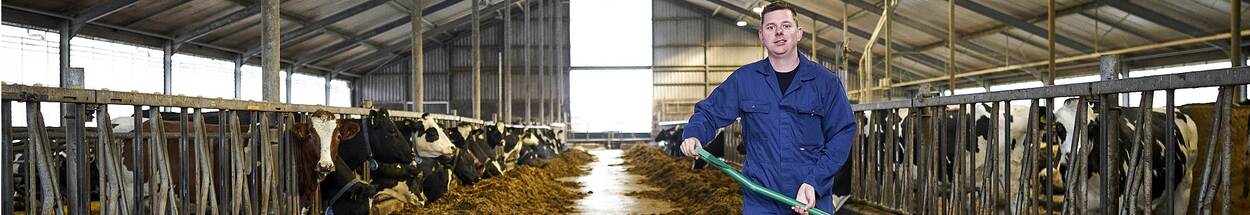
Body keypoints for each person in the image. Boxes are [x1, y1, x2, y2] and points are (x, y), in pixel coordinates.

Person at [678, 1, 856, 214]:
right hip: (761, 198)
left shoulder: (826, 83)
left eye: (786, 26)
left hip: (810, 197)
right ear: (761, 36)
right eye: (771, 27)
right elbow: (709, 113)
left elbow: (842, 134)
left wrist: (815, 182)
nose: (779, 32)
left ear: (799, 33)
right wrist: (694, 135)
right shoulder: (744, 80)